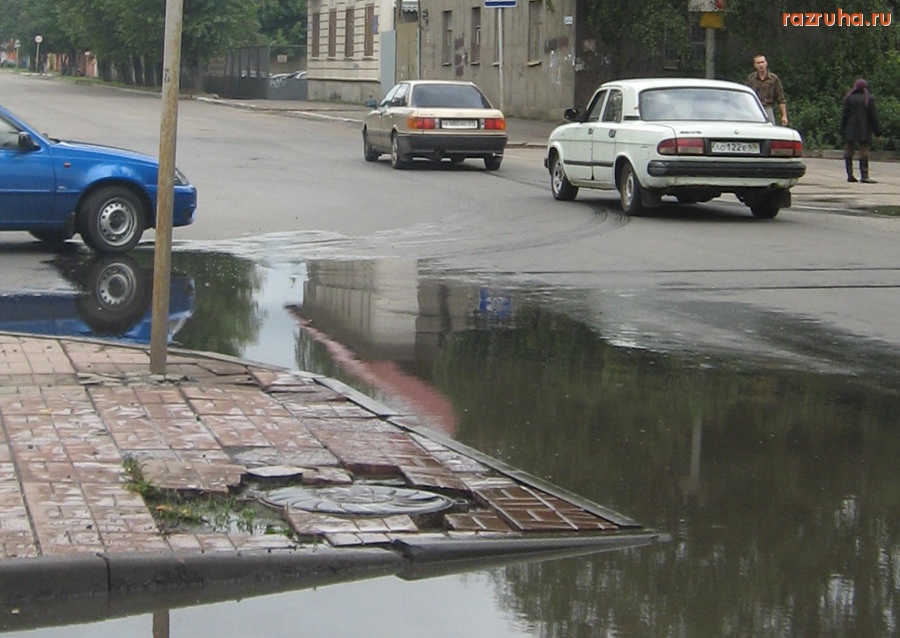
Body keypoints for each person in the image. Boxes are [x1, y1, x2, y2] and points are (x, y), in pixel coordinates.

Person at [840, 78, 881, 183]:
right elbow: (873, 116)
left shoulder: (849, 98)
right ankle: (864, 175)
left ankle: (850, 175)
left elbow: (844, 115)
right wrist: (878, 131)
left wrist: (842, 129)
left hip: (850, 128)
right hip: (864, 128)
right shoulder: (868, 99)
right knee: (863, 149)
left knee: (849, 149)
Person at [746, 54, 788, 126]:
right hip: (753, 109)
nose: (761, 65)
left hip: (768, 108)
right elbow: (746, 97)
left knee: (770, 129)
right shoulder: (751, 78)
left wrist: (784, 116)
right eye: (758, 63)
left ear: (766, 63)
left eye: (762, 62)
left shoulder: (774, 78)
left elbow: (781, 99)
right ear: (755, 65)